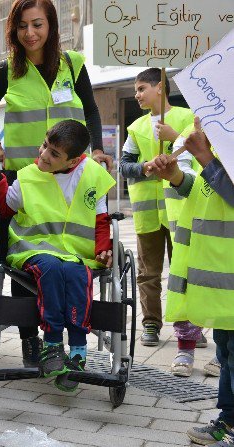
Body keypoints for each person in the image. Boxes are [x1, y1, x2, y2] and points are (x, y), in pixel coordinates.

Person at [0, 0, 111, 368]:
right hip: (26, 173)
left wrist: (97, 149)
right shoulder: (5, 70)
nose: (30, 33)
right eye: (22, 26)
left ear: (51, 25)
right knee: (16, 267)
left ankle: (71, 332)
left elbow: (92, 108)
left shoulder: (73, 65)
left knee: (65, 260)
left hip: (71, 171)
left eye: (37, 24)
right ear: (13, 29)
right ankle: (31, 340)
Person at [0, 119, 115, 392]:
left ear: (74, 159)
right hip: (33, 249)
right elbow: (5, 208)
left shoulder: (93, 176)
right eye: (45, 146)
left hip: (76, 254)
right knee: (53, 269)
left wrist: (103, 249)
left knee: (78, 274)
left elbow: (101, 219)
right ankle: (52, 343)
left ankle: (77, 351)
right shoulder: (28, 174)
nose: (43, 155)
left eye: (54, 153)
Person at [150, 119, 234, 446]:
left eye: (205, 121)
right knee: (227, 352)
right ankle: (227, 420)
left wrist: (206, 160)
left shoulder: (221, 156)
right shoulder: (222, 155)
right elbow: (204, 190)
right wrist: (174, 176)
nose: (196, 128)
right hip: (223, 288)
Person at [118, 68, 198, 356]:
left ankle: (189, 325)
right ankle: (150, 323)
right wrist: (144, 167)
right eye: (136, 90)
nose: (137, 95)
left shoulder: (188, 118)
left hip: (181, 208)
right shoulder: (136, 128)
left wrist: (175, 135)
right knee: (148, 272)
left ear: (160, 86)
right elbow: (124, 166)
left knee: (184, 270)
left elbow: (203, 151)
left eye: (141, 88)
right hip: (148, 213)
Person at [147, 121, 215, 377]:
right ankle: (185, 349)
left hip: (225, 237)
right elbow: (188, 183)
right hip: (192, 229)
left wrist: (205, 157)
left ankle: (222, 355)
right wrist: (173, 173)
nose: (199, 120)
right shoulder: (188, 137)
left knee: (223, 296)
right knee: (186, 290)